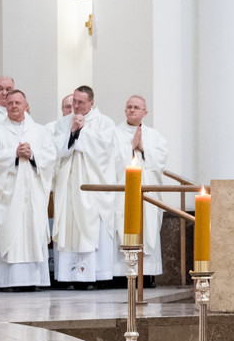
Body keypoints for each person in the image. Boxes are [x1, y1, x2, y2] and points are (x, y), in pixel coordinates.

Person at [0, 90, 54, 290]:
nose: (14, 106)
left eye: (18, 102)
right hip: (7, 195)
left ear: (25, 104)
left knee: (32, 230)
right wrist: (13, 153)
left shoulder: (40, 131)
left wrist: (32, 154)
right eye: (10, 102)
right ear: (5, 106)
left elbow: (50, 157)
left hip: (33, 193)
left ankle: (34, 280)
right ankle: (7, 281)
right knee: (8, 231)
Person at [51, 85, 118, 287]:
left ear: (91, 102)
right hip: (69, 186)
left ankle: (94, 275)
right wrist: (71, 133)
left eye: (81, 102)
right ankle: (68, 276)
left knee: (91, 226)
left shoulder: (105, 122)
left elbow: (104, 150)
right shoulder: (63, 123)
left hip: (92, 186)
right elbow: (55, 149)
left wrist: (83, 131)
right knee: (69, 225)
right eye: (74, 102)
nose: (76, 106)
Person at [114, 95, 168, 277]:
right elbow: (109, 160)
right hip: (123, 191)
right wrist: (130, 147)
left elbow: (160, 159)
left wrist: (143, 148)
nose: (131, 110)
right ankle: (124, 273)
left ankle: (148, 273)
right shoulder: (115, 133)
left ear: (145, 112)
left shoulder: (154, 135)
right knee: (123, 223)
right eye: (129, 106)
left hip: (147, 190)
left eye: (136, 107)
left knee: (148, 225)